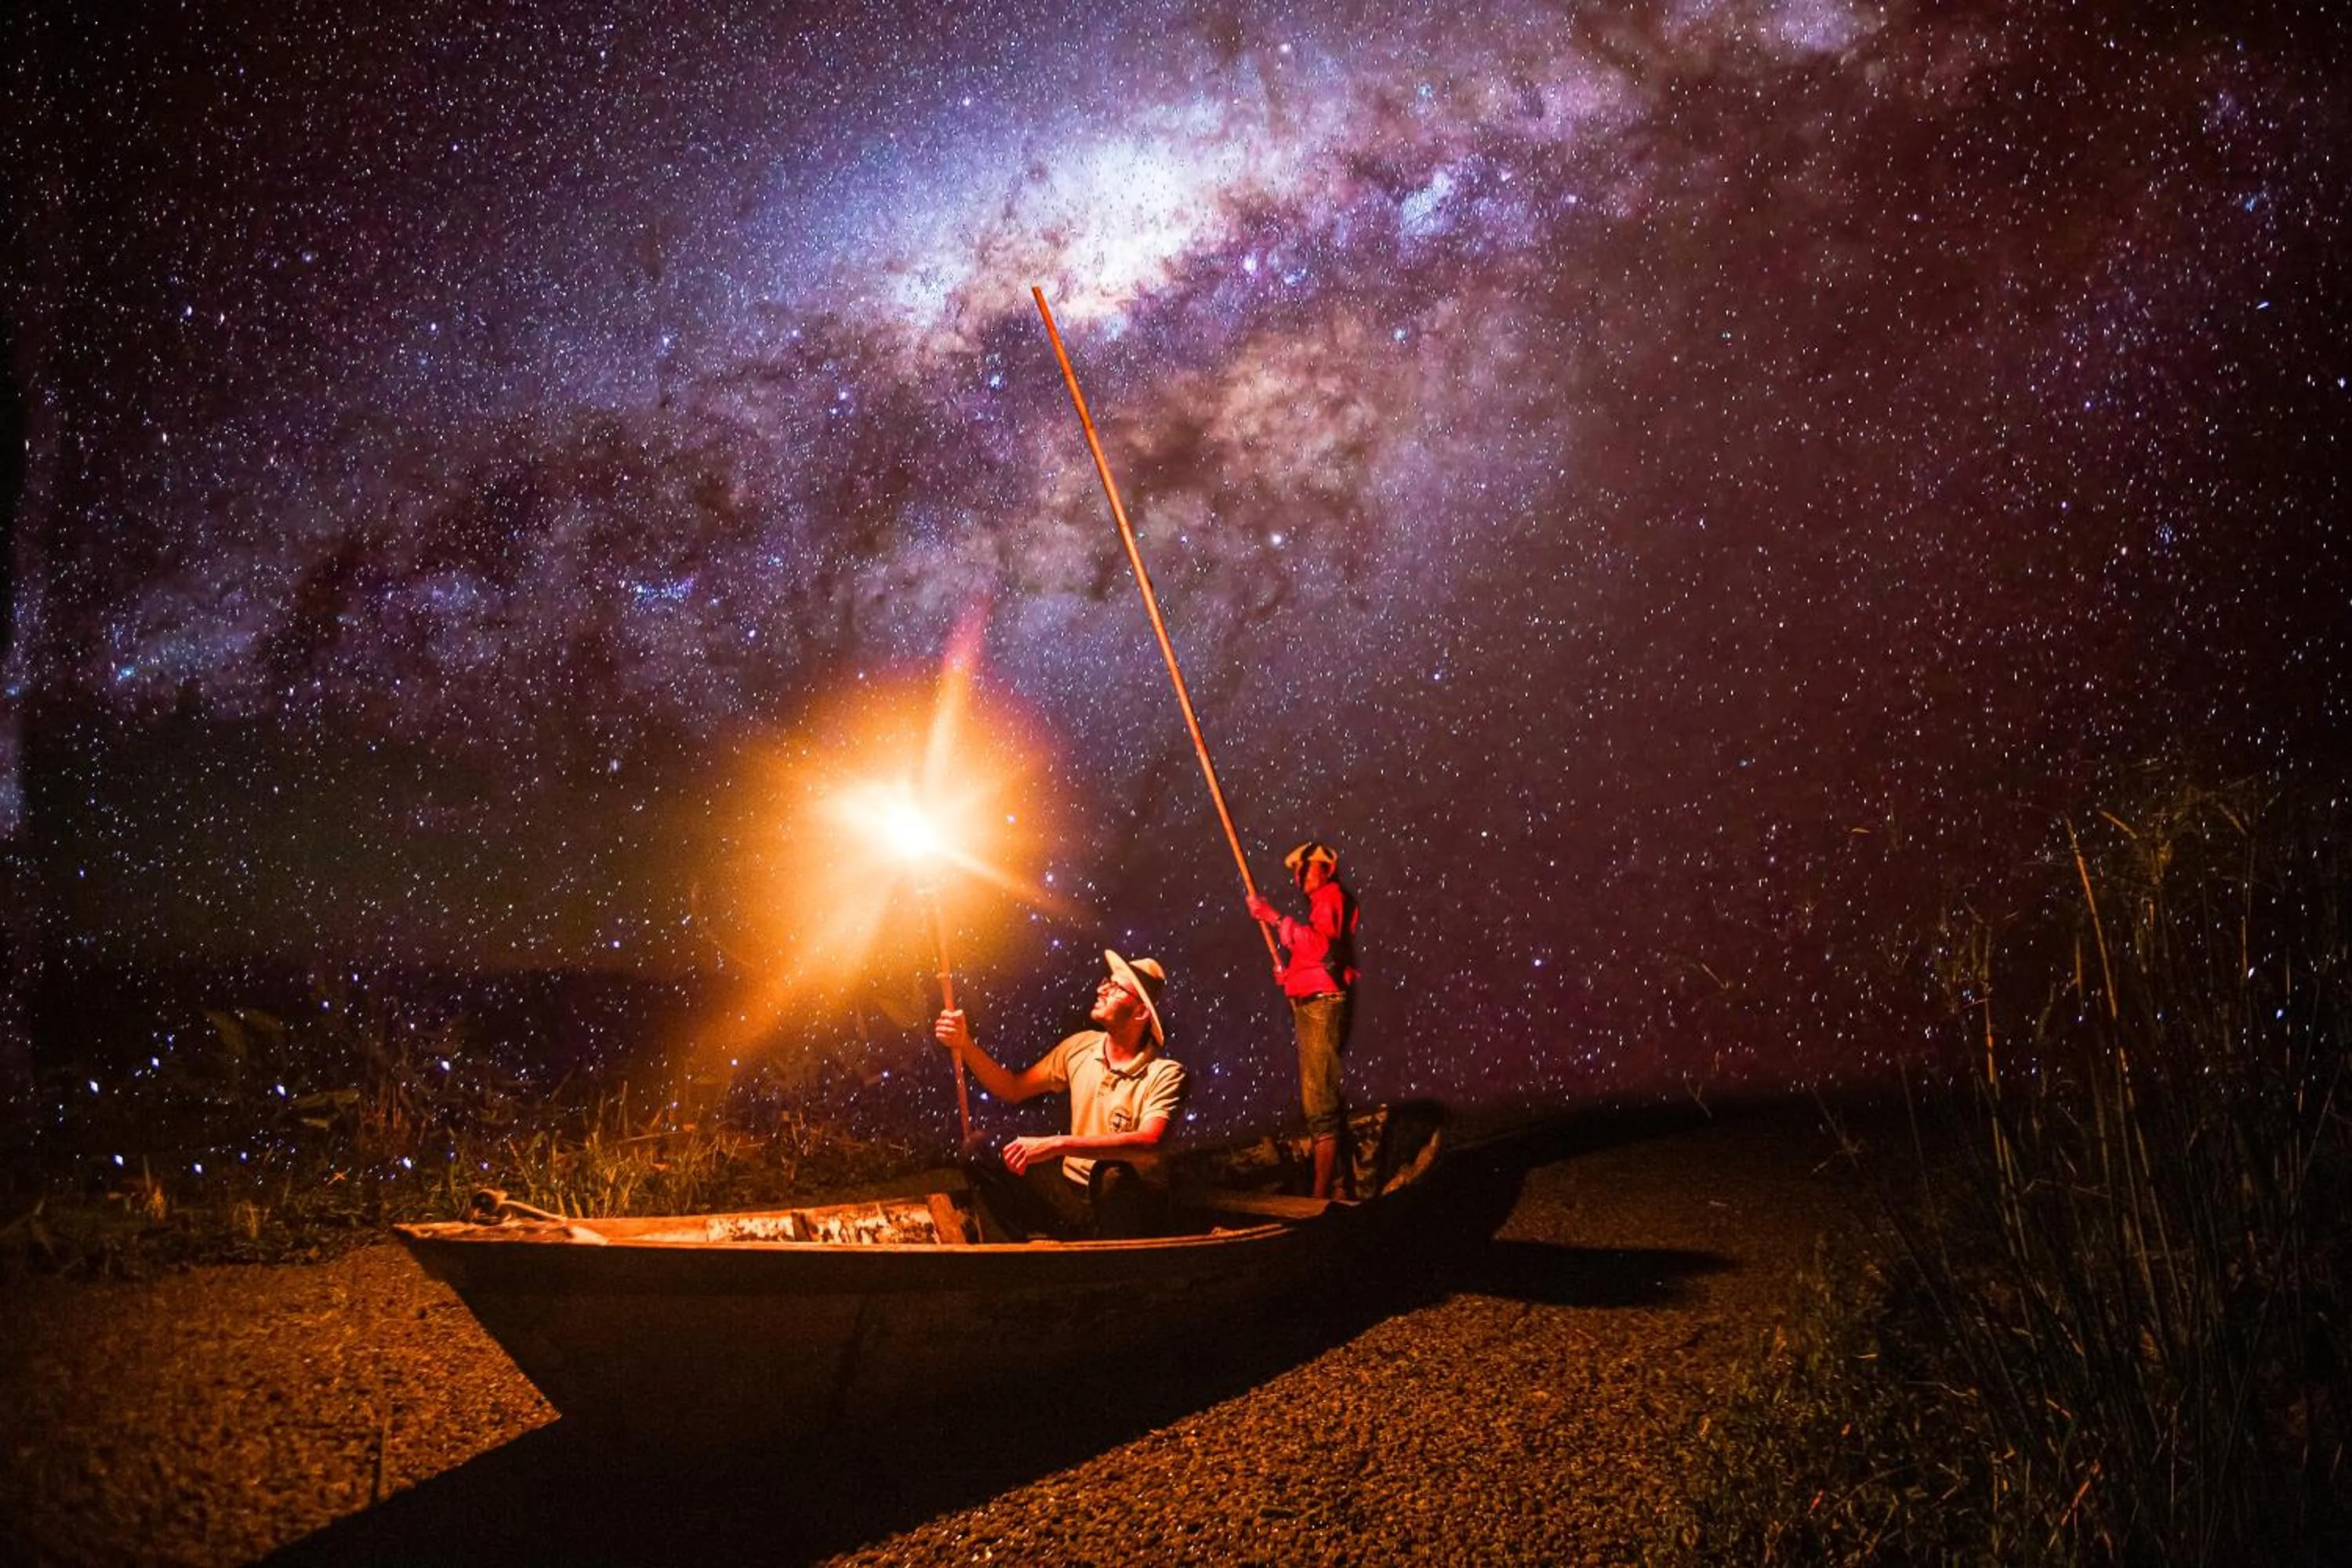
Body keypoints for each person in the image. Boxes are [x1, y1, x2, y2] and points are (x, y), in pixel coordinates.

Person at [931, 949, 1188, 1240]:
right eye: (1106, 981)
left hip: (1128, 1208)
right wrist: (964, 1044)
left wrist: (1056, 1144)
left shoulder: (1165, 1074)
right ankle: (1026, 1250)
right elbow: (1013, 1088)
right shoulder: (1080, 1048)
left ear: (1141, 1011)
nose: (1101, 988)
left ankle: (1121, 1266)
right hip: (1073, 1197)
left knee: (1112, 1175)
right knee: (980, 1150)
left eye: (1115, 987)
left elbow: (1148, 1143)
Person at [1247, 840, 1361, 1200]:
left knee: (1319, 1100)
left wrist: (1275, 917)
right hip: (1313, 999)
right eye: (1297, 871)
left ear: (1326, 869)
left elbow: (1323, 948)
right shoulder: (1321, 904)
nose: (1298, 876)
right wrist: (1290, 975)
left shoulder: (1330, 897)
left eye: (1306, 867)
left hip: (1321, 1003)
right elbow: (1318, 956)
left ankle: (1321, 1194)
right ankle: (1342, 1185)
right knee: (1321, 1092)